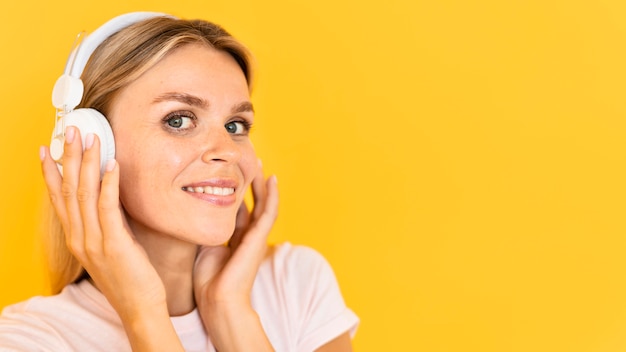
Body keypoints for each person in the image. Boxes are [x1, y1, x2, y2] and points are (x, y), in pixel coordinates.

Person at [0, 12, 358, 351]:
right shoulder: (29, 340)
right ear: (91, 143)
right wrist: (143, 314)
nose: (229, 152)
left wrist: (231, 313)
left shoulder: (294, 283)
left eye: (235, 126)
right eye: (179, 120)